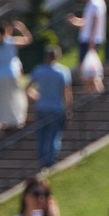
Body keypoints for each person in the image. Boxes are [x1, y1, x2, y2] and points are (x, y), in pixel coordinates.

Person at [28, 38, 72, 167]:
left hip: (42, 107)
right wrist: (69, 108)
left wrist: (37, 96)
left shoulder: (38, 70)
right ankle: (51, 161)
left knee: (41, 136)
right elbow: (67, 93)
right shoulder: (62, 71)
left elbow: (27, 88)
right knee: (54, 135)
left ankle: (42, 161)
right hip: (56, 107)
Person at [0, 19, 33, 131]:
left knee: (2, 98)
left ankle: (2, 120)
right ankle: (17, 119)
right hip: (11, 73)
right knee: (17, 96)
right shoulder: (11, 41)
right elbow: (28, 40)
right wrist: (22, 28)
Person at [69, 0, 107, 95]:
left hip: (89, 40)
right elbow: (87, 22)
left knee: (88, 69)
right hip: (89, 38)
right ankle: (89, 91)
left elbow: (95, 20)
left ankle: (95, 91)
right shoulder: (92, 3)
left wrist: (91, 39)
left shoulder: (95, 2)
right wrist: (75, 21)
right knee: (84, 68)